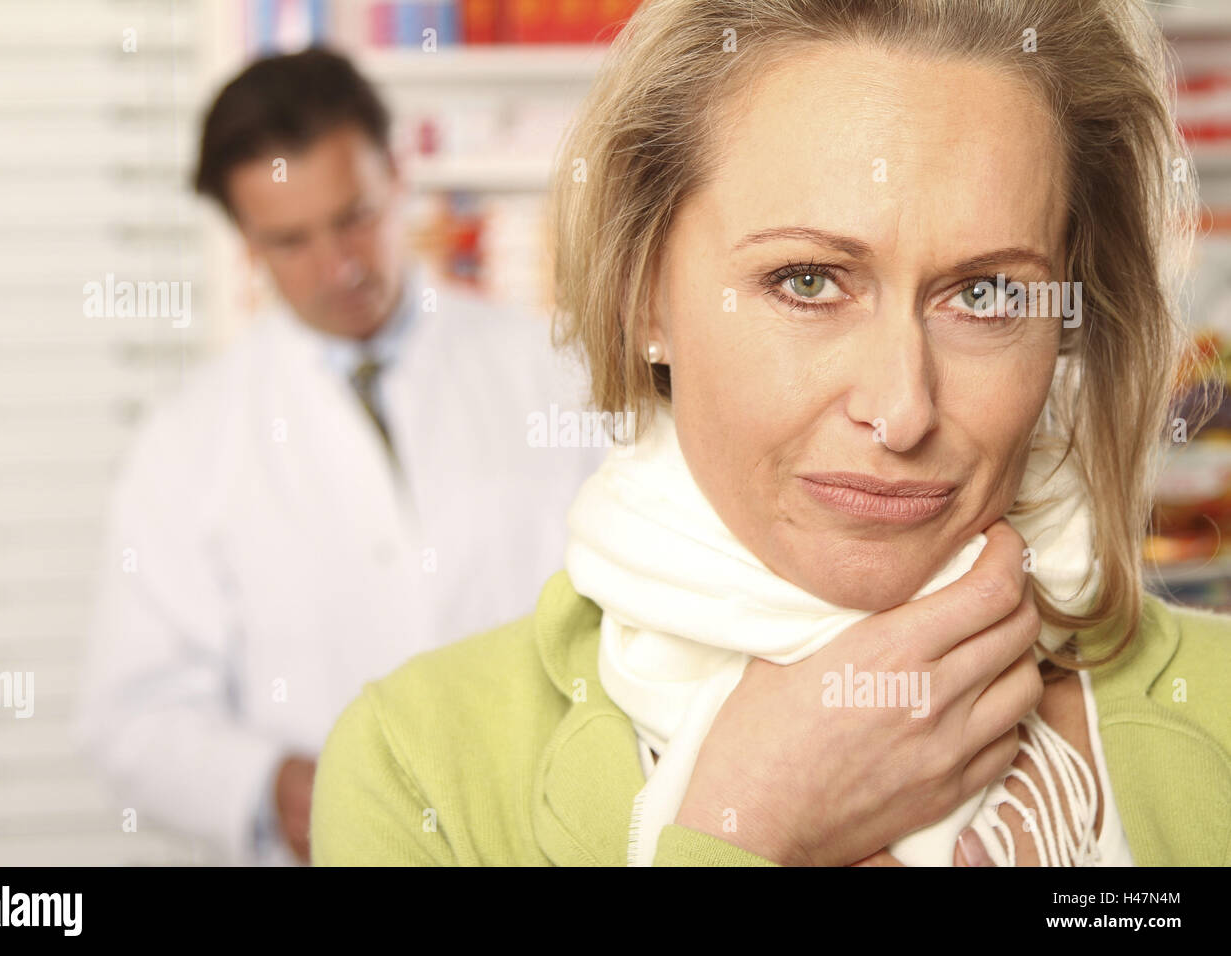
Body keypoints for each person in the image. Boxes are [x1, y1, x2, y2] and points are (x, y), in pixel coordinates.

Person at [310, 0, 1231, 866]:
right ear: (644, 297)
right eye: (807, 281)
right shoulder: (417, 765)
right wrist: (741, 826)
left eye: (986, 294)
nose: (901, 409)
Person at [75, 48, 602, 865]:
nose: (339, 267)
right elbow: (131, 715)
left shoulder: (555, 370)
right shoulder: (186, 444)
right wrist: (268, 784)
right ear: (246, 242)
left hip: (546, 835)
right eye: (290, 241)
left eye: (353, 216)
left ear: (398, 176)